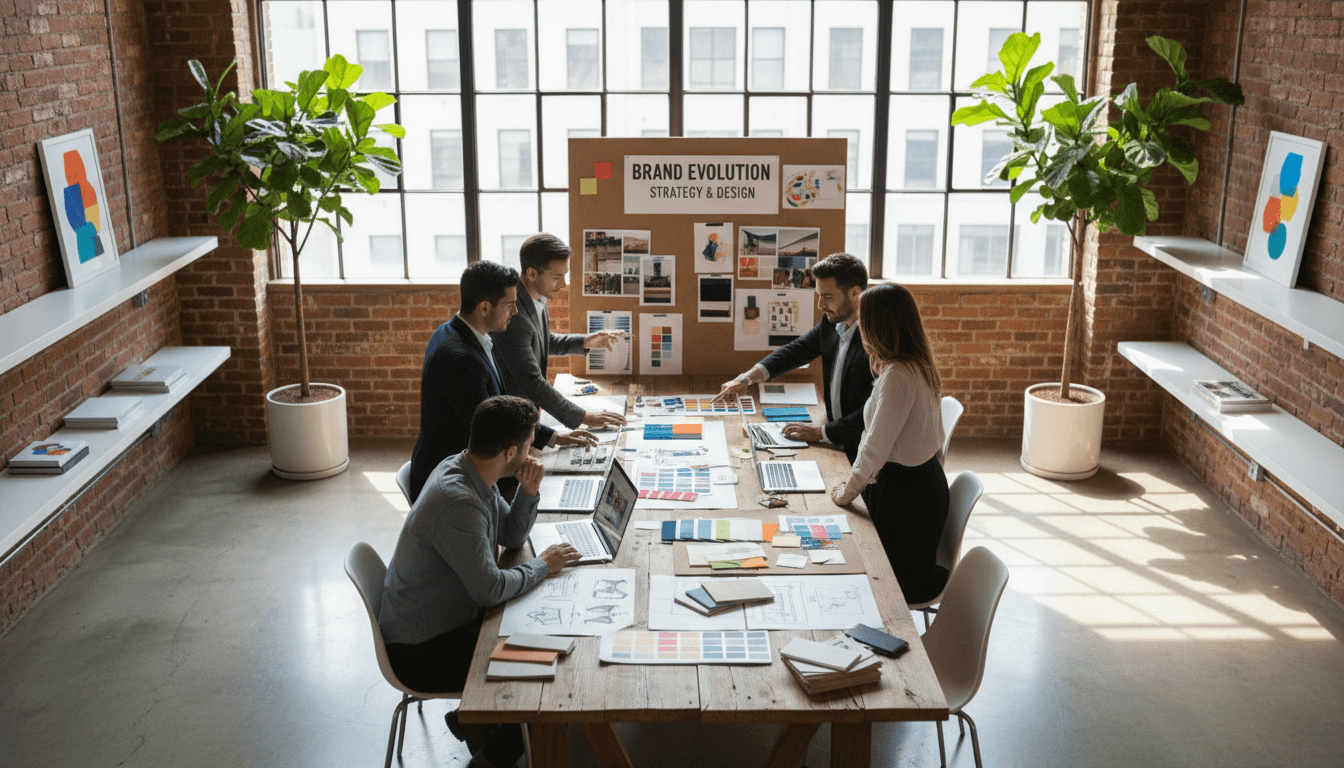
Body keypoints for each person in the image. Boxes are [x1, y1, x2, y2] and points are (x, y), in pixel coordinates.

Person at [380, 396, 583, 768]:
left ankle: (475, 721)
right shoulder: (458, 501)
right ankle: (488, 760)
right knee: (547, 678)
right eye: (528, 444)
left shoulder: (473, 469)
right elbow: (490, 590)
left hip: (449, 619)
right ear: (510, 452)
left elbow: (511, 536)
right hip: (421, 650)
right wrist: (542, 566)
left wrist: (529, 491)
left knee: (546, 644)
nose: (532, 450)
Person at [408, 260, 594, 502]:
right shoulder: (461, 359)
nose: (515, 312)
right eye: (509, 305)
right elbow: (491, 431)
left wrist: (552, 437)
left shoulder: (461, 333)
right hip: (452, 488)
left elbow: (499, 413)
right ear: (484, 308)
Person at [830, 283, 949, 605]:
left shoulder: (898, 375)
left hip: (906, 503)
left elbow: (874, 448)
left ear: (878, 326)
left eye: (863, 319)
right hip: (919, 487)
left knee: (849, 551)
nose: (859, 327)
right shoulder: (914, 364)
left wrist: (847, 492)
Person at [715, 252, 874, 463]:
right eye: (819, 295)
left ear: (855, 293)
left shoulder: (876, 338)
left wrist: (820, 433)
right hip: (837, 442)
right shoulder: (832, 322)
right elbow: (797, 350)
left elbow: (872, 409)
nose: (820, 305)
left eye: (827, 297)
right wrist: (747, 378)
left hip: (864, 449)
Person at [492, 232, 626, 431]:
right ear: (531, 274)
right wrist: (584, 417)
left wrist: (586, 341)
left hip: (524, 413)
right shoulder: (515, 316)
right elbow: (533, 382)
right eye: (557, 277)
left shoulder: (537, 297)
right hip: (508, 419)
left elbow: (544, 341)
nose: (563, 284)